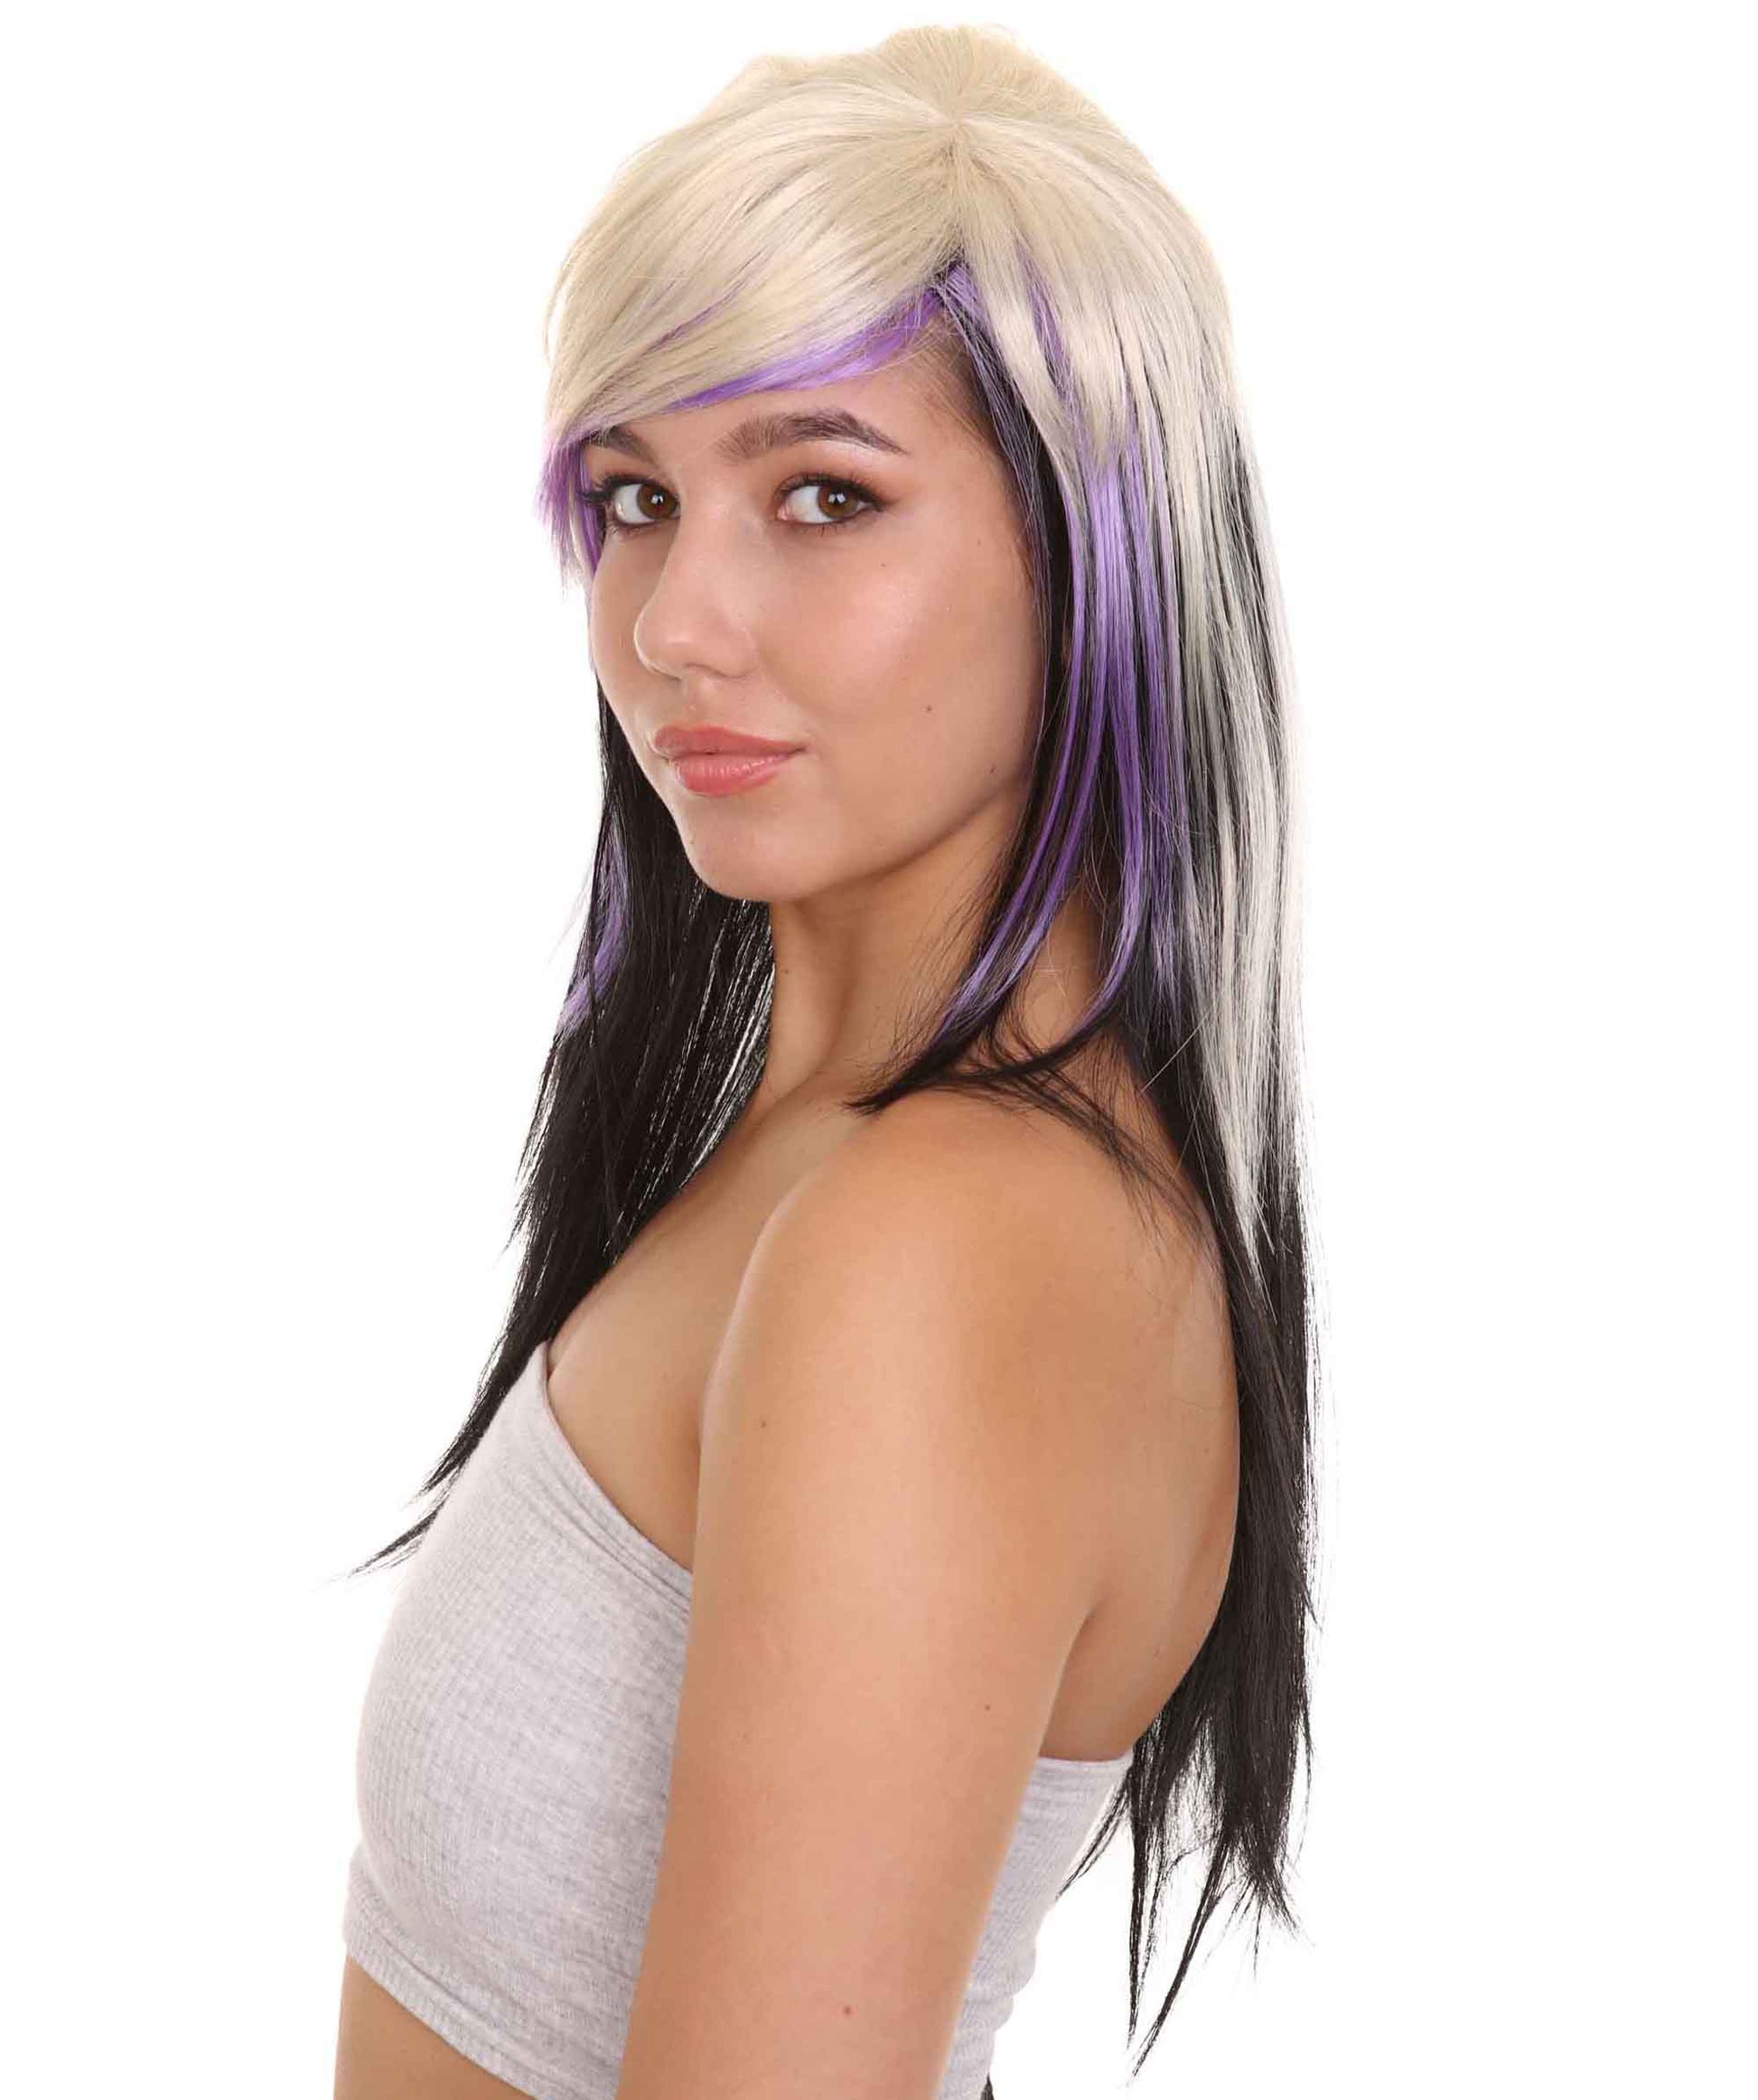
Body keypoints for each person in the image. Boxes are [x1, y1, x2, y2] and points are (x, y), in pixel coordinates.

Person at [333, 23, 1320, 2100]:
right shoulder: (836, 1166)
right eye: (634, 497)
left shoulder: (936, 1240)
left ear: (1093, 549)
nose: (675, 623)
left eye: (822, 494)